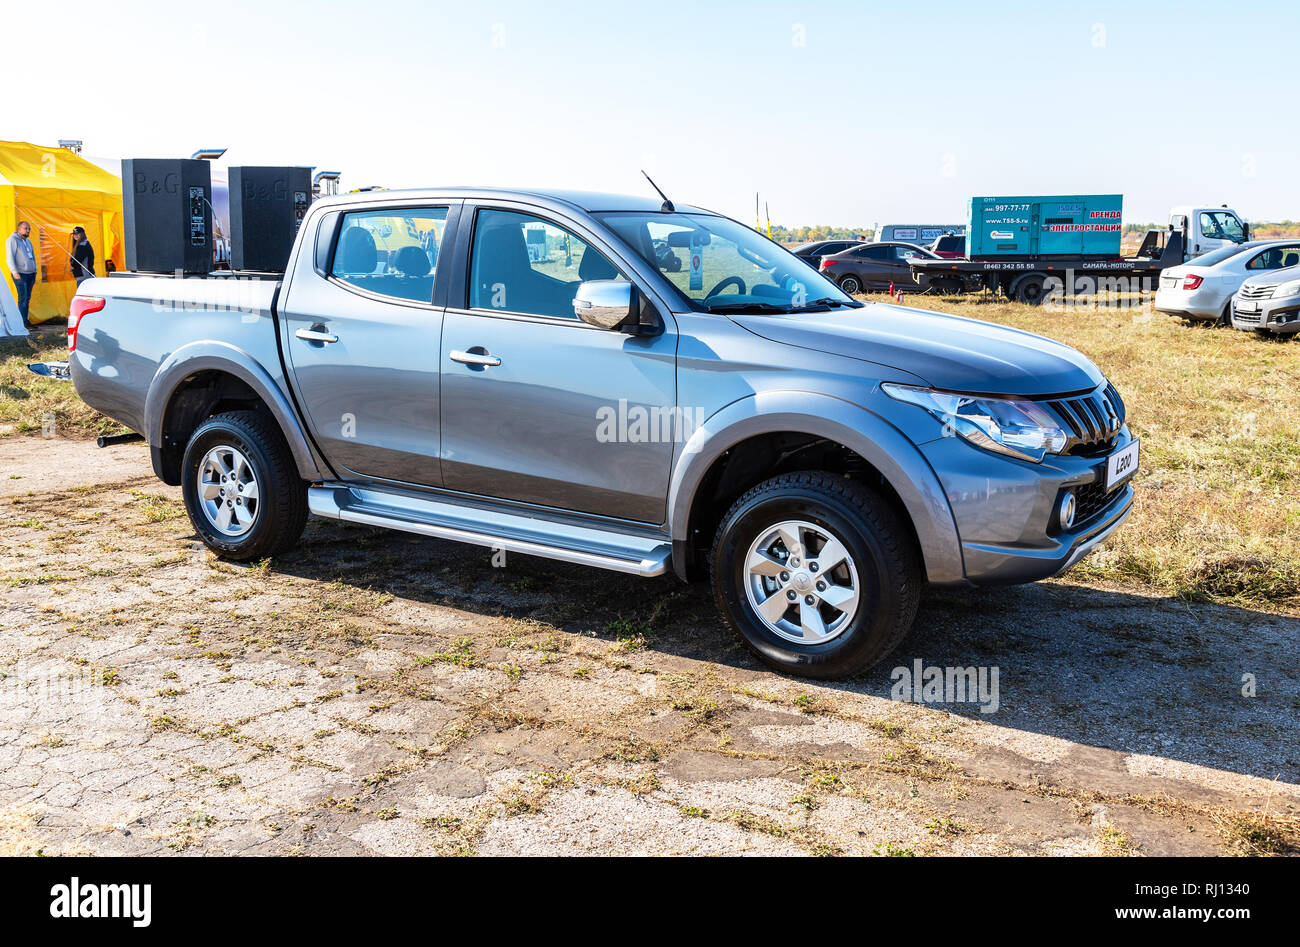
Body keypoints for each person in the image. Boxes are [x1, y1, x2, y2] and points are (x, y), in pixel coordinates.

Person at [6, 220, 37, 330]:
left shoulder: (28, 241)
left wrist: (35, 270)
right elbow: (10, 257)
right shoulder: (12, 240)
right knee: (23, 298)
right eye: (25, 228)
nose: (28, 230)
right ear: (19, 229)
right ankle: (22, 322)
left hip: (31, 274)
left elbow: (33, 257)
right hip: (20, 274)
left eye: (29, 228)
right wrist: (14, 271)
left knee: (27, 298)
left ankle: (25, 320)